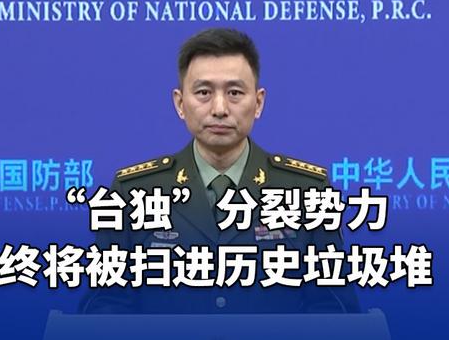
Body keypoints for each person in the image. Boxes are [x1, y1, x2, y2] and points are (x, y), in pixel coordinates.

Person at [79, 28, 360, 314]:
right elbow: (105, 305)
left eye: (234, 93)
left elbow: (334, 308)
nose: (220, 108)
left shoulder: (307, 191)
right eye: (203, 93)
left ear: (258, 102)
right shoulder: (133, 192)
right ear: (180, 103)